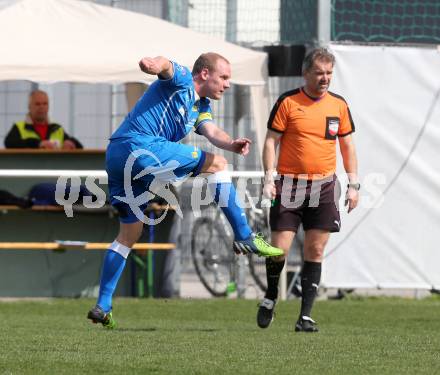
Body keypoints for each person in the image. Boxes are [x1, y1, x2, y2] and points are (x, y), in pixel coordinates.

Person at [87, 52, 283, 328]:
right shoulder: (182, 81)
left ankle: (102, 306)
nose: (227, 84)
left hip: (118, 156)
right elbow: (166, 66)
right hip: (140, 146)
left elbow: (212, 131)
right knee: (217, 165)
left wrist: (232, 143)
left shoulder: (200, 106)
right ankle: (244, 235)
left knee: (130, 232)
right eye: (224, 77)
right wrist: (153, 64)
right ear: (205, 73)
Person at [257, 48, 359, 332]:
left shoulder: (339, 105)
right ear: (306, 74)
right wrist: (268, 177)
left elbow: (347, 146)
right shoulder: (288, 102)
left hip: (324, 186)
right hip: (289, 184)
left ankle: (305, 316)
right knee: (279, 250)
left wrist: (353, 185)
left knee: (315, 249)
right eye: (319, 73)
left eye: (329, 73)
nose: (325, 78)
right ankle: (270, 296)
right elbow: (270, 142)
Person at [4, 90, 83, 149]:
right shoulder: (19, 127)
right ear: (29, 107)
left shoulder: (57, 128)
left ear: (48, 106)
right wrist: (38, 144)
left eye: (45, 104)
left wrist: (71, 143)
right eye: (37, 104)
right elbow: (9, 143)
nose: (41, 107)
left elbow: (80, 147)